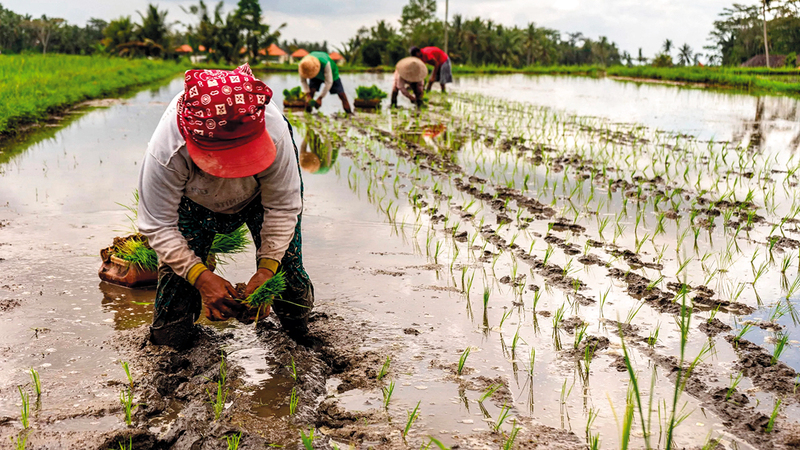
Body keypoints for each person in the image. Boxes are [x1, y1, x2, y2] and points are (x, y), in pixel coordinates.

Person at [138, 64, 314, 349]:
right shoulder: (168, 148)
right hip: (192, 204)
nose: (231, 173)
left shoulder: (275, 131)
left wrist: (267, 270)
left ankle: (302, 340)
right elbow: (158, 224)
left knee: (288, 274)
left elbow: (283, 207)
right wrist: (201, 278)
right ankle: (172, 353)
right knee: (173, 309)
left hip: (259, 198)